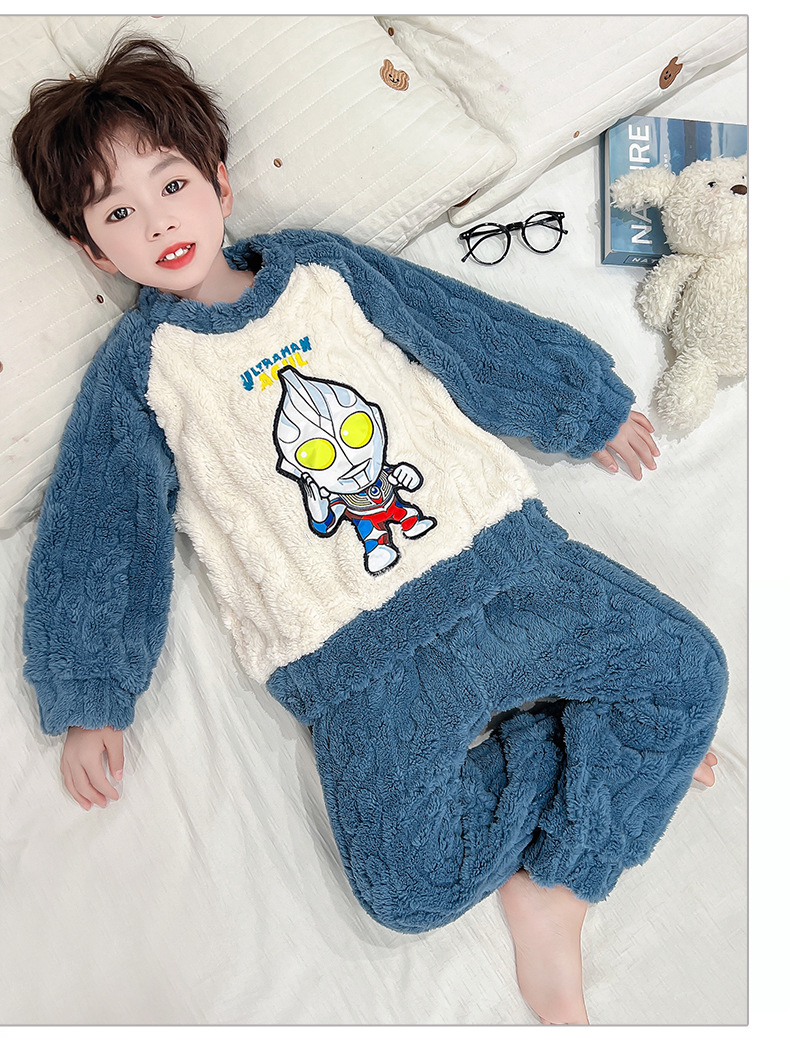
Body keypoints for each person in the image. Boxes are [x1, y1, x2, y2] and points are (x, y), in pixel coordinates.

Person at [12, 36, 726, 1026]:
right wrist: (95, 693)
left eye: (170, 184)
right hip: (361, 663)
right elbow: (102, 531)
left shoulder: (323, 270)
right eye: (117, 213)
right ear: (94, 251)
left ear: (219, 182)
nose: (158, 221)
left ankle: (557, 886)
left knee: (688, 672)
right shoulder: (140, 372)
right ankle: (584, 754)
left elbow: (458, 328)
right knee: (408, 888)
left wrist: (577, 404)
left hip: (497, 567)